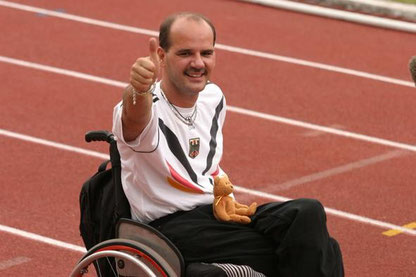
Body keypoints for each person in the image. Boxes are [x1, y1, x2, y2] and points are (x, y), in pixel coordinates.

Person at [112, 12, 344, 276]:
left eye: (206, 53)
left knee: (308, 214)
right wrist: (139, 89)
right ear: (162, 57)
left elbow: (206, 164)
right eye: (186, 53)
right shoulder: (145, 108)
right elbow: (133, 120)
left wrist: (225, 197)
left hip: (218, 214)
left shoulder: (213, 96)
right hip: (169, 228)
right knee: (320, 248)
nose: (198, 63)